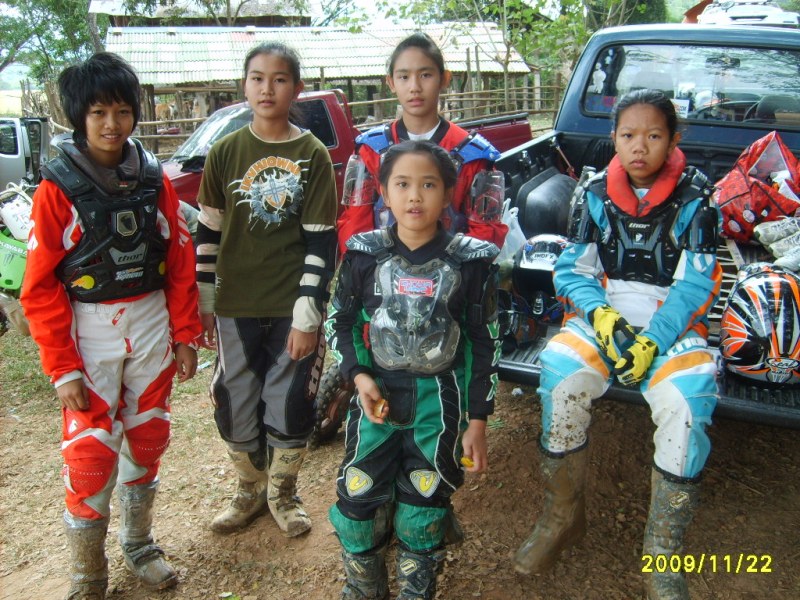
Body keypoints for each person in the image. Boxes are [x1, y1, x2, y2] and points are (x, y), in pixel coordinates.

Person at [513, 89, 721, 600]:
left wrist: (652, 341)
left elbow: (696, 286)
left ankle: (663, 548)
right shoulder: (593, 195)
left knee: (687, 402)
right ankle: (562, 516)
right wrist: (602, 316)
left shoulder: (697, 200)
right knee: (561, 373)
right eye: (628, 135)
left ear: (673, 139)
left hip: (672, 323)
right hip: (603, 315)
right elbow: (572, 270)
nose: (639, 146)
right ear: (613, 137)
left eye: (654, 135)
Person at [20, 52, 201, 598]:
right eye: (98, 112)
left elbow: (179, 259)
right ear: (79, 116)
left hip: (149, 323)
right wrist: (62, 368)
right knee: (91, 454)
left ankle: (139, 544)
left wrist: (185, 334)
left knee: (147, 437)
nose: (111, 124)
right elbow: (39, 286)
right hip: (89, 329)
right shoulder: (57, 188)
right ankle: (87, 575)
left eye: (122, 111)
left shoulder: (152, 178)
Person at [326, 140, 501, 599]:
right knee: (357, 502)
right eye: (402, 184)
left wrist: (478, 421)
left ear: (448, 194)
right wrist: (360, 376)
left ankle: (416, 591)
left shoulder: (473, 262)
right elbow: (340, 321)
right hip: (375, 398)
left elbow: (484, 343)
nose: (415, 196)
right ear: (384, 192)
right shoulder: (363, 255)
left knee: (422, 510)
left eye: (429, 185)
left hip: (438, 404)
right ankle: (363, 590)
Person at [195, 42, 337, 537]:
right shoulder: (225, 152)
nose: (267, 88)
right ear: (245, 85)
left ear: (296, 88)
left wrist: (308, 316)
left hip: (291, 306)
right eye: (257, 78)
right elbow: (208, 233)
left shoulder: (312, 154)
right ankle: (249, 489)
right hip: (234, 303)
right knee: (233, 395)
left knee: (292, 398)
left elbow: (321, 242)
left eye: (279, 79)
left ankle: (283, 492)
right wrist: (205, 302)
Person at [336, 32, 508, 255]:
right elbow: (354, 225)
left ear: (444, 79)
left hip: (455, 271)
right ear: (391, 82)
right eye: (404, 77)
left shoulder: (473, 155)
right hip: (378, 270)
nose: (414, 87)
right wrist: (366, 269)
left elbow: (485, 236)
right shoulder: (370, 150)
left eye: (425, 75)